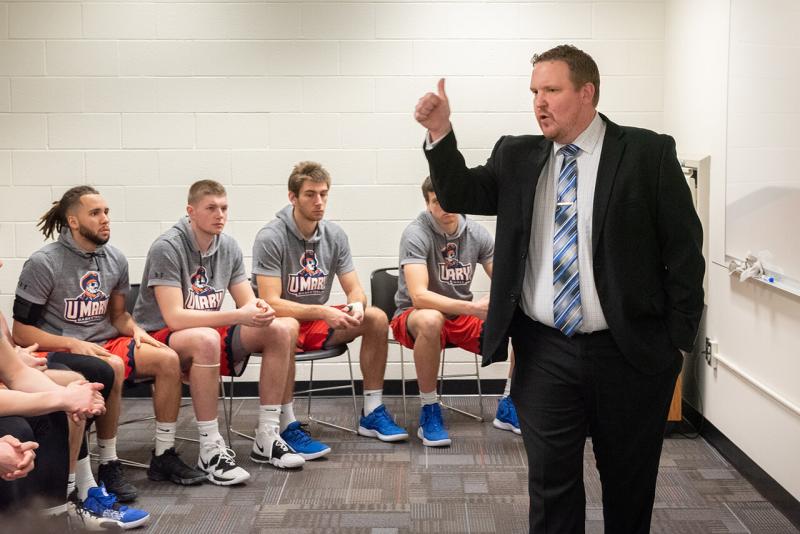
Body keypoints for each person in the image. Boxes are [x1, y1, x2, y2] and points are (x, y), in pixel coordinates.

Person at [414, 44, 704, 533]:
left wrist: (675, 342)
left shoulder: (647, 153)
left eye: (551, 90)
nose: (539, 103)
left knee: (629, 488)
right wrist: (440, 132)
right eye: (534, 92)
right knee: (551, 489)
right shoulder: (518, 155)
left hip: (629, 354)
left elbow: (685, 251)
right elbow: (460, 191)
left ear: (587, 92)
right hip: (546, 351)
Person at [12, 186, 204, 504]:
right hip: (56, 347)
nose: (105, 220)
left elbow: (118, 316)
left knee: (167, 358)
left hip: (104, 340)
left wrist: (136, 330)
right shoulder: (43, 263)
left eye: (107, 212)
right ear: (73, 221)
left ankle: (164, 454)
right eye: (95, 213)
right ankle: (109, 463)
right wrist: (72, 344)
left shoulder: (114, 257)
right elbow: (20, 331)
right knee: (111, 367)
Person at [134, 179, 304, 484]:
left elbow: (247, 303)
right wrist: (240, 314)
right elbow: (173, 318)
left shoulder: (228, 246)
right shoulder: (168, 247)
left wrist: (261, 311)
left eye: (224, 208)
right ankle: (210, 447)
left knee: (279, 329)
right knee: (206, 338)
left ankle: (267, 435)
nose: (220, 215)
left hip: (205, 331)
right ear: (191, 211)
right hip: (158, 336)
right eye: (211, 208)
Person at [252, 161, 408, 459]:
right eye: (310, 194)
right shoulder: (271, 237)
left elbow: (354, 287)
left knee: (375, 317)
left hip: (314, 320)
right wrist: (324, 313)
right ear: (292, 197)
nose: (319, 201)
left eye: (323, 194)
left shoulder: (334, 236)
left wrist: (357, 305)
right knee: (288, 326)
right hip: (279, 324)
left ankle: (372, 412)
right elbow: (271, 302)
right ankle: (286, 424)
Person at [392, 176, 520, 447]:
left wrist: (496, 300)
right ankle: (429, 409)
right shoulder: (416, 233)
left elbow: (505, 279)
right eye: (437, 201)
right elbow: (419, 296)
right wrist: (473, 307)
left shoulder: (477, 233)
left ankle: (510, 403)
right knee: (430, 319)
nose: (445, 206)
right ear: (427, 204)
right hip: (413, 315)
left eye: (449, 198)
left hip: (460, 317)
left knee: (523, 318)